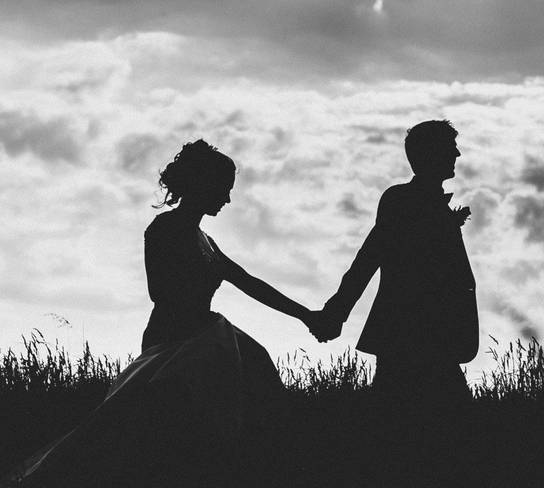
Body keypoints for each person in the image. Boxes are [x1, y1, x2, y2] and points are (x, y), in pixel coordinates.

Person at [4, 140, 326, 488]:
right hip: (173, 343)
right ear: (203, 184)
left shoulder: (206, 240)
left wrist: (307, 316)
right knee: (146, 434)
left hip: (205, 337)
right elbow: (158, 290)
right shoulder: (164, 229)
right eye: (224, 189)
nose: (228, 199)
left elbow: (250, 283)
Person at [311, 120, 479, 482]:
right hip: (409, 339)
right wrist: (338, 311)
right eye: (450, 147)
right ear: (430, 154)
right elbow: (369, 257)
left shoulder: (426, 204)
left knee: (421, 439)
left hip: (435, 340)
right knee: (412, 438)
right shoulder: (400, 200)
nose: (457, 153)